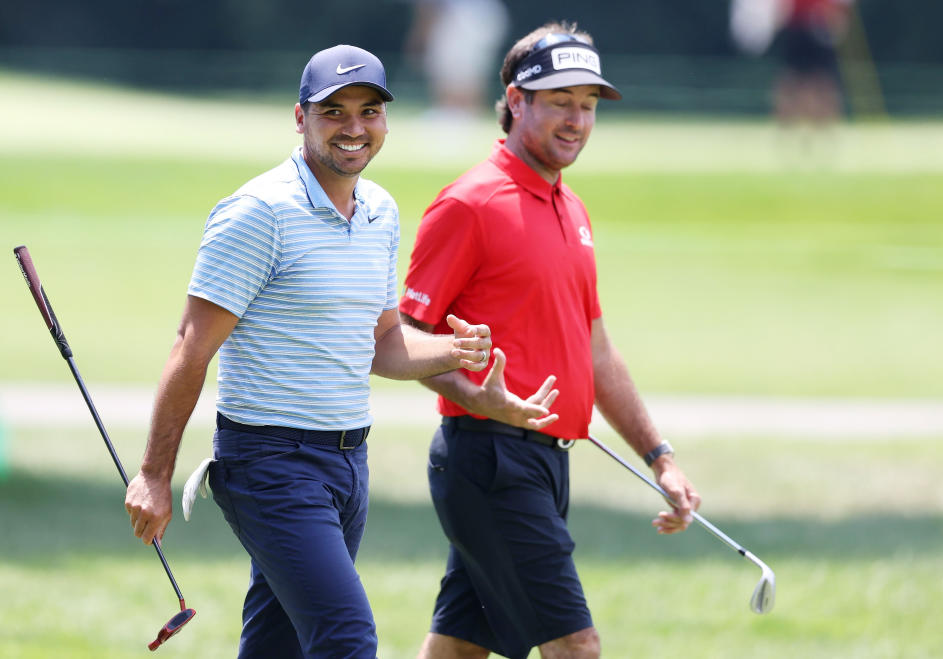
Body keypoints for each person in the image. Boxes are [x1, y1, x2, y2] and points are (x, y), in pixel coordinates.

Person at [123, 44, 494, 659]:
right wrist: (155, 475)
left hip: (348, 461)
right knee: (346, 637)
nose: (354, 127)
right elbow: (191, 348)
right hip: (269, 462)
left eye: (369, 110)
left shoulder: (379, 210)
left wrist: (454, 350)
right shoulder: (258, 212)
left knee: (279, 645)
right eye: (334, 111)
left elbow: (381, 343)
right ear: (300, 118)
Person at [399, 22, 703, 659]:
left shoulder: (572, 208)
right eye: (560, 102)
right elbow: (407, 336)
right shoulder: (470, 204)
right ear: (516, 101)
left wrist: (660, 457)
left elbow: (596, 349)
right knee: (576, 645)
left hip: (543, 462)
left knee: (456, 648)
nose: (577, 120)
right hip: (488, 460)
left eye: (588, 106)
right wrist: (482, 399)